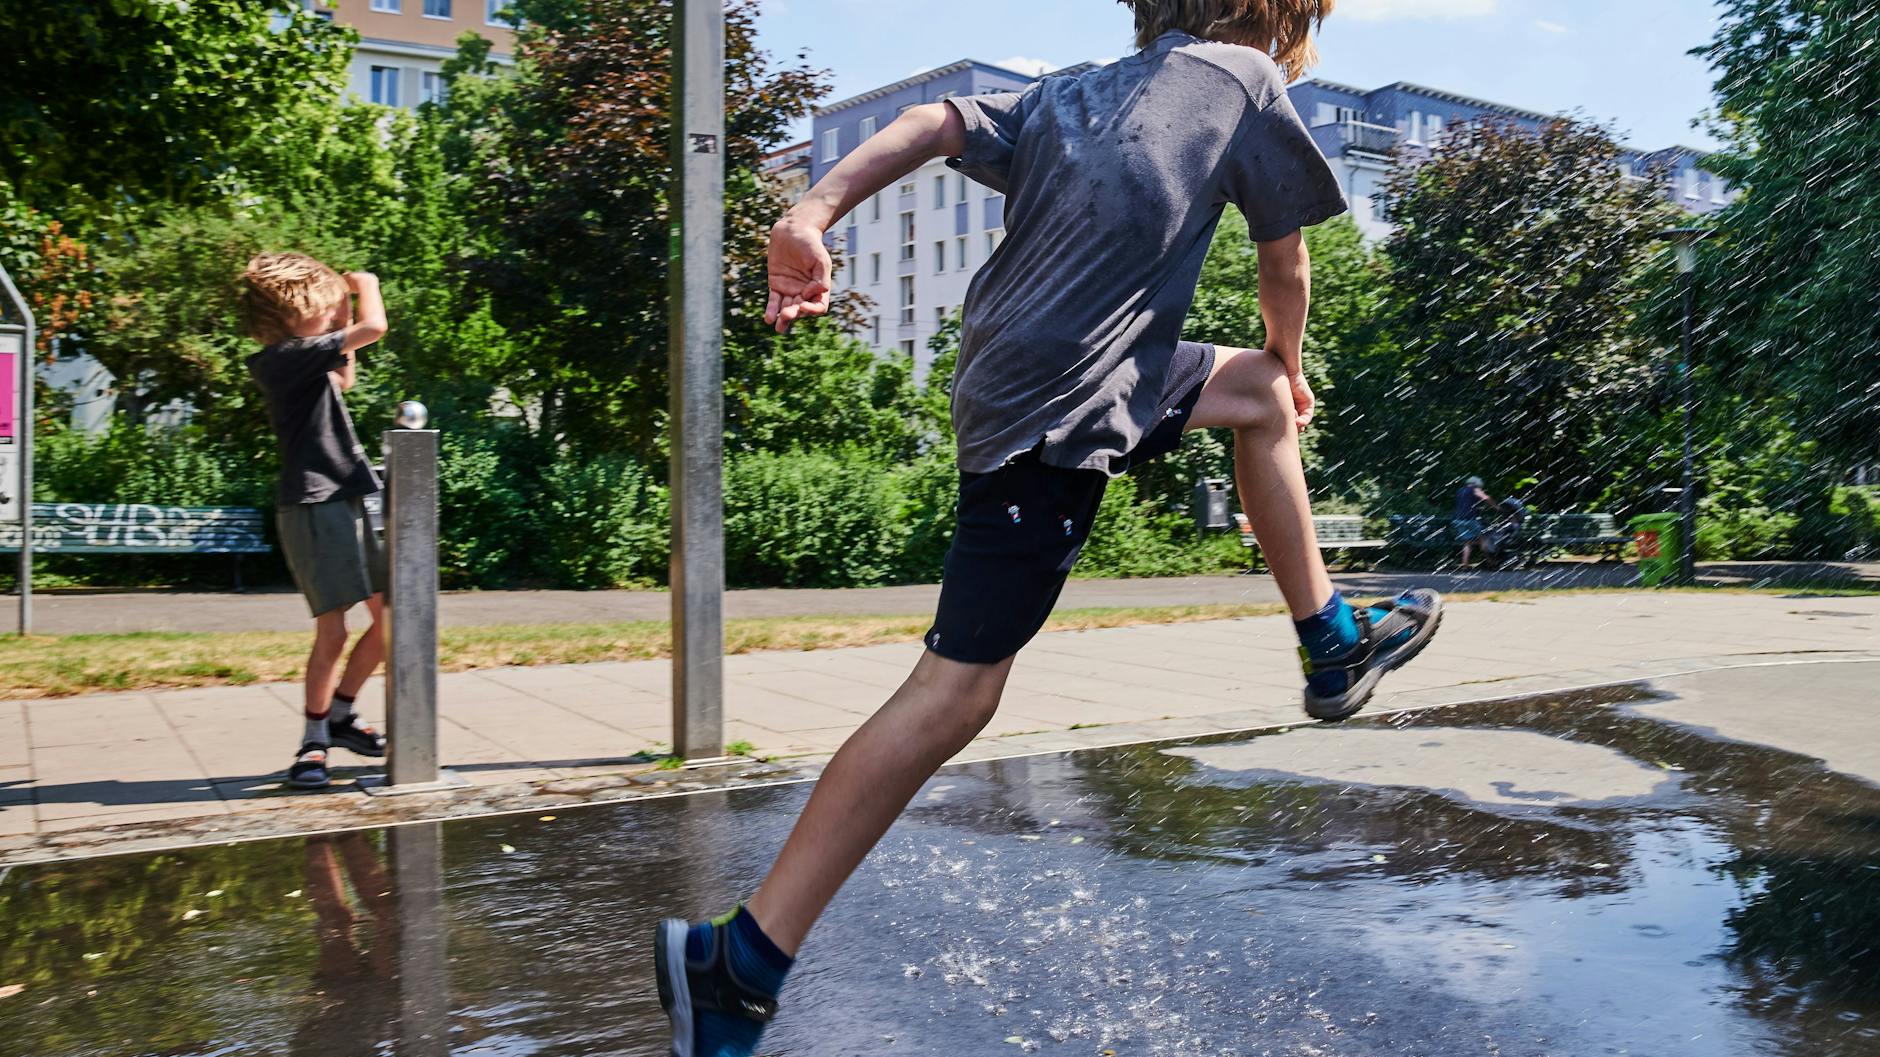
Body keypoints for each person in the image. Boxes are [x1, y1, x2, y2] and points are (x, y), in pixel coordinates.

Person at [654, 3, 1444, 1053]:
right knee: (954, 693)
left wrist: (813, 211)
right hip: (1056, 404)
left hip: (1038, 372)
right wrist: (1295, 359)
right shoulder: (1248, 81)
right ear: (1281, 16)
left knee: (1250, 396)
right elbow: (1283, 267)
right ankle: (740, 958)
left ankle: (1330, 640)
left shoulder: (1071, 90)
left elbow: (932, 122)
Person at [242, 253, 391, 791]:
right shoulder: (281, 359)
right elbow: (373, 329)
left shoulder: (306, 357)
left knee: (392, 619)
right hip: (314, 503)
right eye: (323, 309)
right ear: (290, 315)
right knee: (335, 628)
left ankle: (341, 715)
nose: (332, 318)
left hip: (346, 496)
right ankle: (312, 742)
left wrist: (342, 302)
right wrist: (366, 285)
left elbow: (345, 374)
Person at [1453, 475, 1499, 570]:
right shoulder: (1475, 489)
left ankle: (1465, 565)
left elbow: (1465, 504)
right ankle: (1491, 562)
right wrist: (1496, 507)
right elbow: (1486, 498)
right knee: (1482, 540)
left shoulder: (1460, 490)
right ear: (1477, 484)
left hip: (1458, 519)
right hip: (1470, 519)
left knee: (1467, 543)